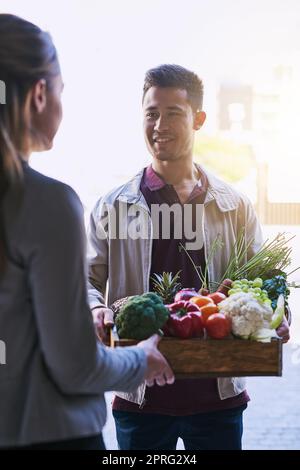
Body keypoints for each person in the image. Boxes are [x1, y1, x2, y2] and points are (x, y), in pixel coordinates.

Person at [88, 64, 290, 450]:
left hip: (218, 397)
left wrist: (278, 317)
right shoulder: (112, 206)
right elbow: (86, 280)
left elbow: (265, 282)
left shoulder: (235, 205)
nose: (159, 124)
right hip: (140, 398)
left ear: (198, 119)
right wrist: (95, 308)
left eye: (173, 113)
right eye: (151, 113)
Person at [0, 15, 174, 450]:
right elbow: (76, 367)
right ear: (40, 94)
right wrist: (141, 358)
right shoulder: (45, 203)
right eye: (60, 89)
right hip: (51, 436)